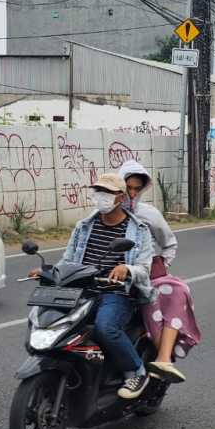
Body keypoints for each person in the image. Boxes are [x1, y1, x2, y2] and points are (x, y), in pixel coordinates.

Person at [60, 173, 156, 400]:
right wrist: (48, 271)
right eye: (98, 191)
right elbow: (68, 261)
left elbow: (144, 269)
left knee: (105, 328)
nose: (100, 197)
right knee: (54, 322)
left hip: (115, 294)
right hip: (82, 291)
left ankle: (136, 371)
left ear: (120, 197)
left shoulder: (138, 230)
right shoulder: (84, 226)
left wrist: (127, 270)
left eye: (107, 193)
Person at [118, 160, 201, 383]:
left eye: (137, 188)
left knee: (176, 290)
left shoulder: (149, 214)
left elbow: (169, 243)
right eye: (128, 187)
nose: (132, 193)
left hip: (148, 274)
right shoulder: (103, 213)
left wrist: (160, 267)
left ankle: (164, 359)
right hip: (113, 276)